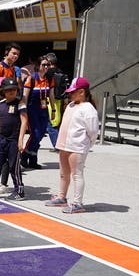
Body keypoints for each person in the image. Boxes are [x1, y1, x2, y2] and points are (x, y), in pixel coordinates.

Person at [45, 78, 99, 214]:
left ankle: (77, 203)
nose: (70, 94)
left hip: (77, 146)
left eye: (73, 92)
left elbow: (93, 131)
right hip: (64, 145)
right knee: (63, 173)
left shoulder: (88, 109)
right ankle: (61, 197)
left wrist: (87, 144)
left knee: (77, 174)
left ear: (82, 92)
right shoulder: (70, 105)